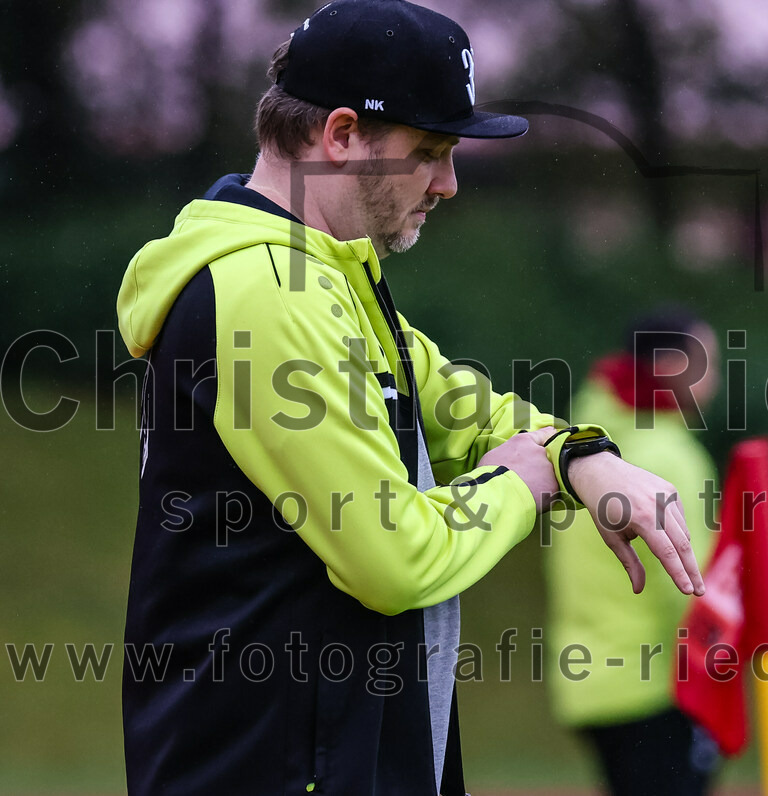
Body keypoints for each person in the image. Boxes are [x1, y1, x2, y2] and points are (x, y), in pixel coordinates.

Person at [115, 3, 704, 795]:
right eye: (428, 152)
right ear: (342, 136)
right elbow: (392, 558)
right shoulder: (267, 291)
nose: (449, 183)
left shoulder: (323, 277)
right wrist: (523, 481)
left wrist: (582, 457)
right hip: (272, 769)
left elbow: (473, 409)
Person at [544, 306, 722, 796]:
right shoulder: (667, 454)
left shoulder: (585, 441)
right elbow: (690, 585)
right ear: (669, 367)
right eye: (708, 361)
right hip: (656, 685)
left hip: (588, 680)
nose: (716, 378)